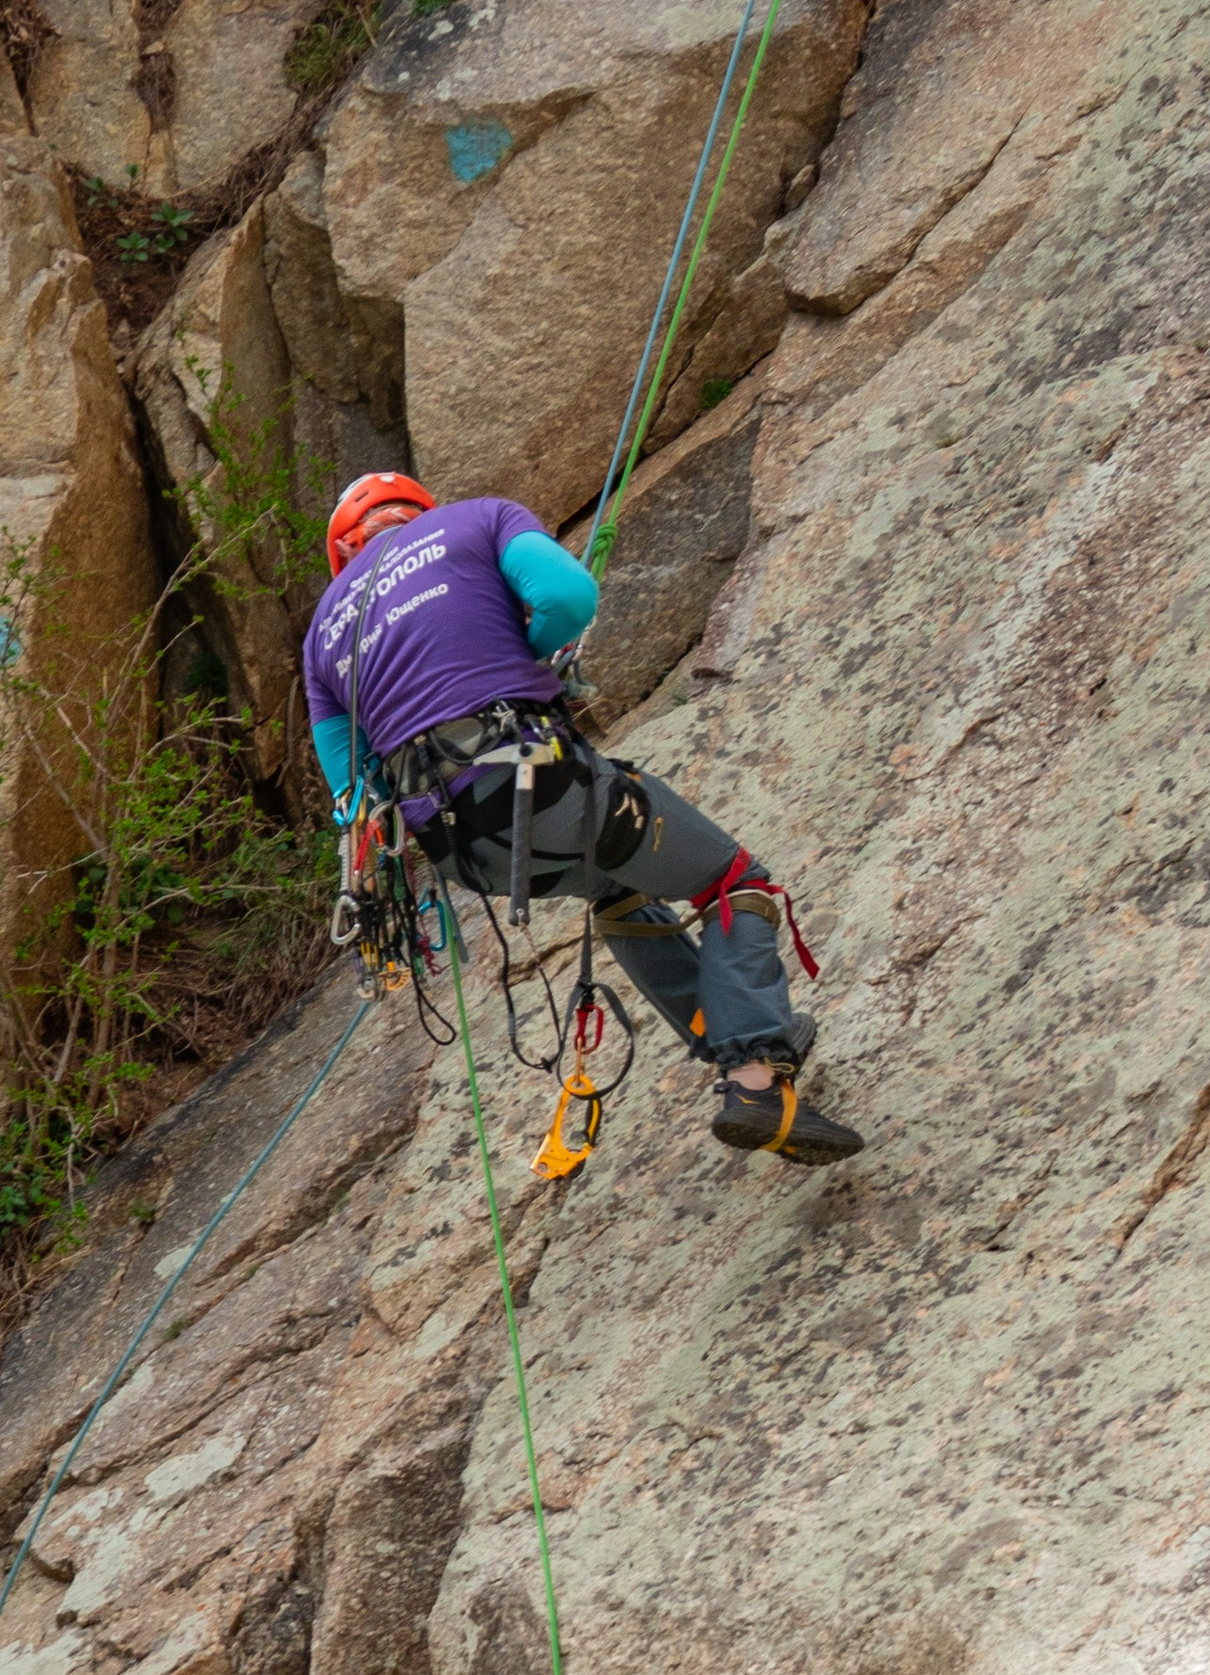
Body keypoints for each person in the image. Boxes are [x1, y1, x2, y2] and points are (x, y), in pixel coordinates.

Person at [302, 471, 864, 1164]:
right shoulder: (479, 519)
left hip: (463, 852)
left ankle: (727, 1028)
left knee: (616, 888)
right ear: (422, 512)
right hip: (544, 786)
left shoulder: (325, 627)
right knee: (734, 881)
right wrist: (524, 656)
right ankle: (753, 1080)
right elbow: (568, 599)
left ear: (345, 554)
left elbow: (352, 797)